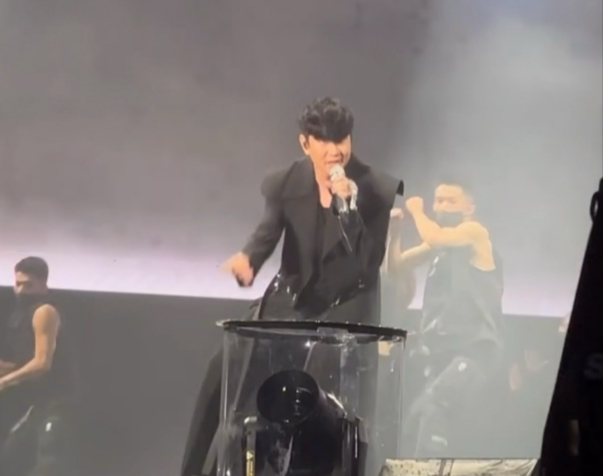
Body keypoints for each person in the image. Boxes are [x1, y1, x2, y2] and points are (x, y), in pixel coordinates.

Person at [181, 97, 404, 476]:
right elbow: (267, 232)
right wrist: (249, 259)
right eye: (325, 141)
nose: (335, 151)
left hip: (345, 307)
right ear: (305, 143)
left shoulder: (376, 189)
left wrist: (348, 209)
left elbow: (367, 264)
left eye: (342, 139)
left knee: (319, 396)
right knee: (224, 369)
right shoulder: (286, 182)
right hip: (291, 301)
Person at [390, 179, 505, 457]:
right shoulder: (440, 245)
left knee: (434, 406)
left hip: (476, 349)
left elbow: (436, 237)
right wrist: (394, 233)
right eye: (438, 200)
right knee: (415, 419)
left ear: (469, 207)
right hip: (444, 352)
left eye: (450, 201)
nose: (441, 206)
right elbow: (397, 265)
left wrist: (417, 211)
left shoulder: (474, 232)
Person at [0, 256, 79, 476]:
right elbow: (26, 364)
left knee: (49, 460)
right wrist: (0, 367)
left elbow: (42, 364)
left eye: (28, 285)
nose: (21, 290)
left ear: (43, 285)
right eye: (18, 284)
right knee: (7, 459)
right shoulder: (21, 316)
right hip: (38, 404)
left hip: (58, 404)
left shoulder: (44, 312)